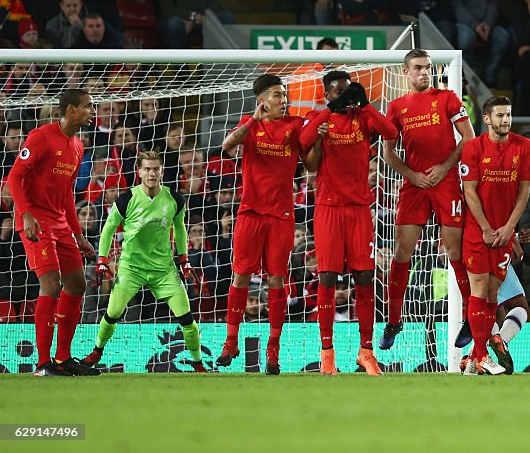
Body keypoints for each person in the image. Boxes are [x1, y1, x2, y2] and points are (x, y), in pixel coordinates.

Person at [300, 74, 398, 375]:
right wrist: (330, 112)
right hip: (328, 208)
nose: (344, 98)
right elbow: (302, 143)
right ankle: (327, 352)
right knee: (328, 277)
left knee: (365, 277)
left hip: (358, 209)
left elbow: (390, 130)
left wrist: (366, 104)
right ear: (327, 94)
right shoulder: (318, 117)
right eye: (338, 93)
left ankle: (365, 351)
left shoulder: (362, 117)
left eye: (347, 93)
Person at [380, 49, 474, 350]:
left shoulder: (447, 99)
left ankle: (469, 318)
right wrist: (412, 174)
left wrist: (445, 167)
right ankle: (394, 320)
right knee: (402, 252)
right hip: (414, 185)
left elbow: (469, 138)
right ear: (406, 72)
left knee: (454, 249)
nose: (425, 72)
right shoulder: (395, 107)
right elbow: (388, 154)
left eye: (428, 68)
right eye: (418, 68)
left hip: (446, 182)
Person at [215, 75, 308, 375]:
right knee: (240, 276)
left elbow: (312, 144)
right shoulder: (249, 124)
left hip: (281, 215)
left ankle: (274, 348)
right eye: (279, 95)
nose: (284, 100)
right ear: (263, 100)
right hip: (250, 213)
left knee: (276, 280)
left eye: (285, 95)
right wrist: (253, 120)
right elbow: (226, 147)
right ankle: (231, 341)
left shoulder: (294, 125)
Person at [82, 152, 206, 372]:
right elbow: (109, 228)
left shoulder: (175, 199)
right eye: (147, 169)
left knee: (187, 319)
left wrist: (184, 258)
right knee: (112, 315)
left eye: (155, 169)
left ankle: (198, 363)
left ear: (162, 171)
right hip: (132, 268)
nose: (152, 173)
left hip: (163, 270)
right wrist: (102, 259)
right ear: (139, 172)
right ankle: (96, 352)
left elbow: (180, 227)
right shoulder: (127, 199)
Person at [7, 88, 99, 377]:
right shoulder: (40, 137)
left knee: (77, 285)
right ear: (71, 110)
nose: (92, 111)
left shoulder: (77, 146)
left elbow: (68, 195)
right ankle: (43, 364)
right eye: (87, 106)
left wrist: (79, 234)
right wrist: (26, 214)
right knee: (51, 283)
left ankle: (62, 358)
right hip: (35, 221)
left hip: (59, 223)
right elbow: (14, 177)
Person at [460, 95, 530, 376]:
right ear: (487, 119)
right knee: (479, 290)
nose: (505, 120)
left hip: (504, 232)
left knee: (492, 293)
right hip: (477, 231)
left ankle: (474, 359)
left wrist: (508, 229)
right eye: (500, 115)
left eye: (509, 114)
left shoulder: (524, 146)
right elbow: (470, 191)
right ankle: (480, 355)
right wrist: (486, 228)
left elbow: (524, 191)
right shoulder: (474, 148)